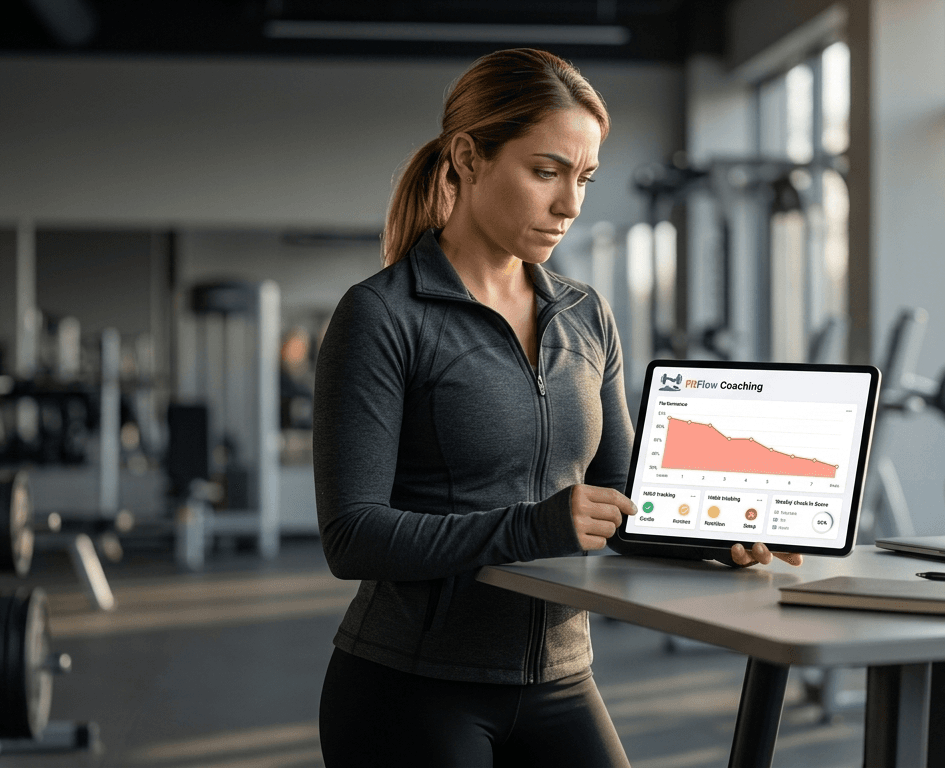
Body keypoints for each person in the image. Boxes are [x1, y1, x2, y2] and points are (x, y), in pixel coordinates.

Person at [312, 48, 801, 768]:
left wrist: (707, 531)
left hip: (563, 678)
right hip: (410, 685)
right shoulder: (384, 316)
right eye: (546, 172)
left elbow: (625, 495)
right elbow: (352, 536)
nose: (569, 204)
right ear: (469, 157)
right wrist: (535, 525)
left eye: (584, 178)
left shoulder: (584, 314)